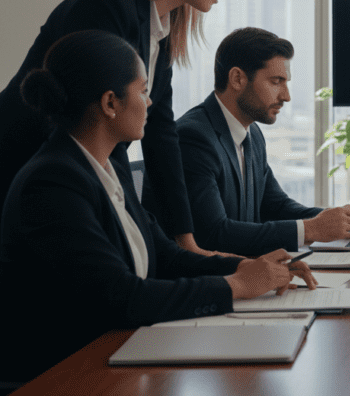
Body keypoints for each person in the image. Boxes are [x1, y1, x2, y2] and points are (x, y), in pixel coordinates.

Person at [0, 30, 316, 382]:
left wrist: (250, 267)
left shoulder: (106, 168)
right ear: (110, 103)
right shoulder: (53, 183)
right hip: (64, 374)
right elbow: (122, 296)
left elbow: (168, 256)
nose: (150, 104)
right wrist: (236, 286)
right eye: (143, 91)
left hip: (116, 353)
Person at [0, 0, 244, 256]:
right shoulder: (106, 5)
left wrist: (185, 240)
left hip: (67, 183)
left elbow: (161, 132)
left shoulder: (161, 29)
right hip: (25, 173)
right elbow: (95, 123)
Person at [176, 27, 350, 256]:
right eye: (276, 81)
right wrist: (311, 229)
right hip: (216, 283)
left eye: (285, 82)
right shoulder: (193, 137)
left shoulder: (252, 134)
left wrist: (341, 218)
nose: (286, 96)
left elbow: (276, 207)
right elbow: (213, 234)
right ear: (237, 79)